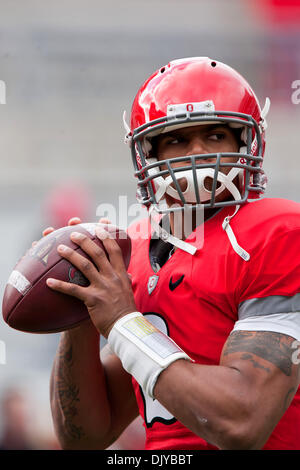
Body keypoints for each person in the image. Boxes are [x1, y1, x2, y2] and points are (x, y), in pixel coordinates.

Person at [45, 57, 300, 450]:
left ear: (245, 143)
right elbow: (85, 437)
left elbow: (244, 422)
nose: (197, 152)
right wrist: (80, 306)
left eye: (215, 135)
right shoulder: (133, 246)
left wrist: (123, 322)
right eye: (177, 139)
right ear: (150, 154)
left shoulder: (277, 231)